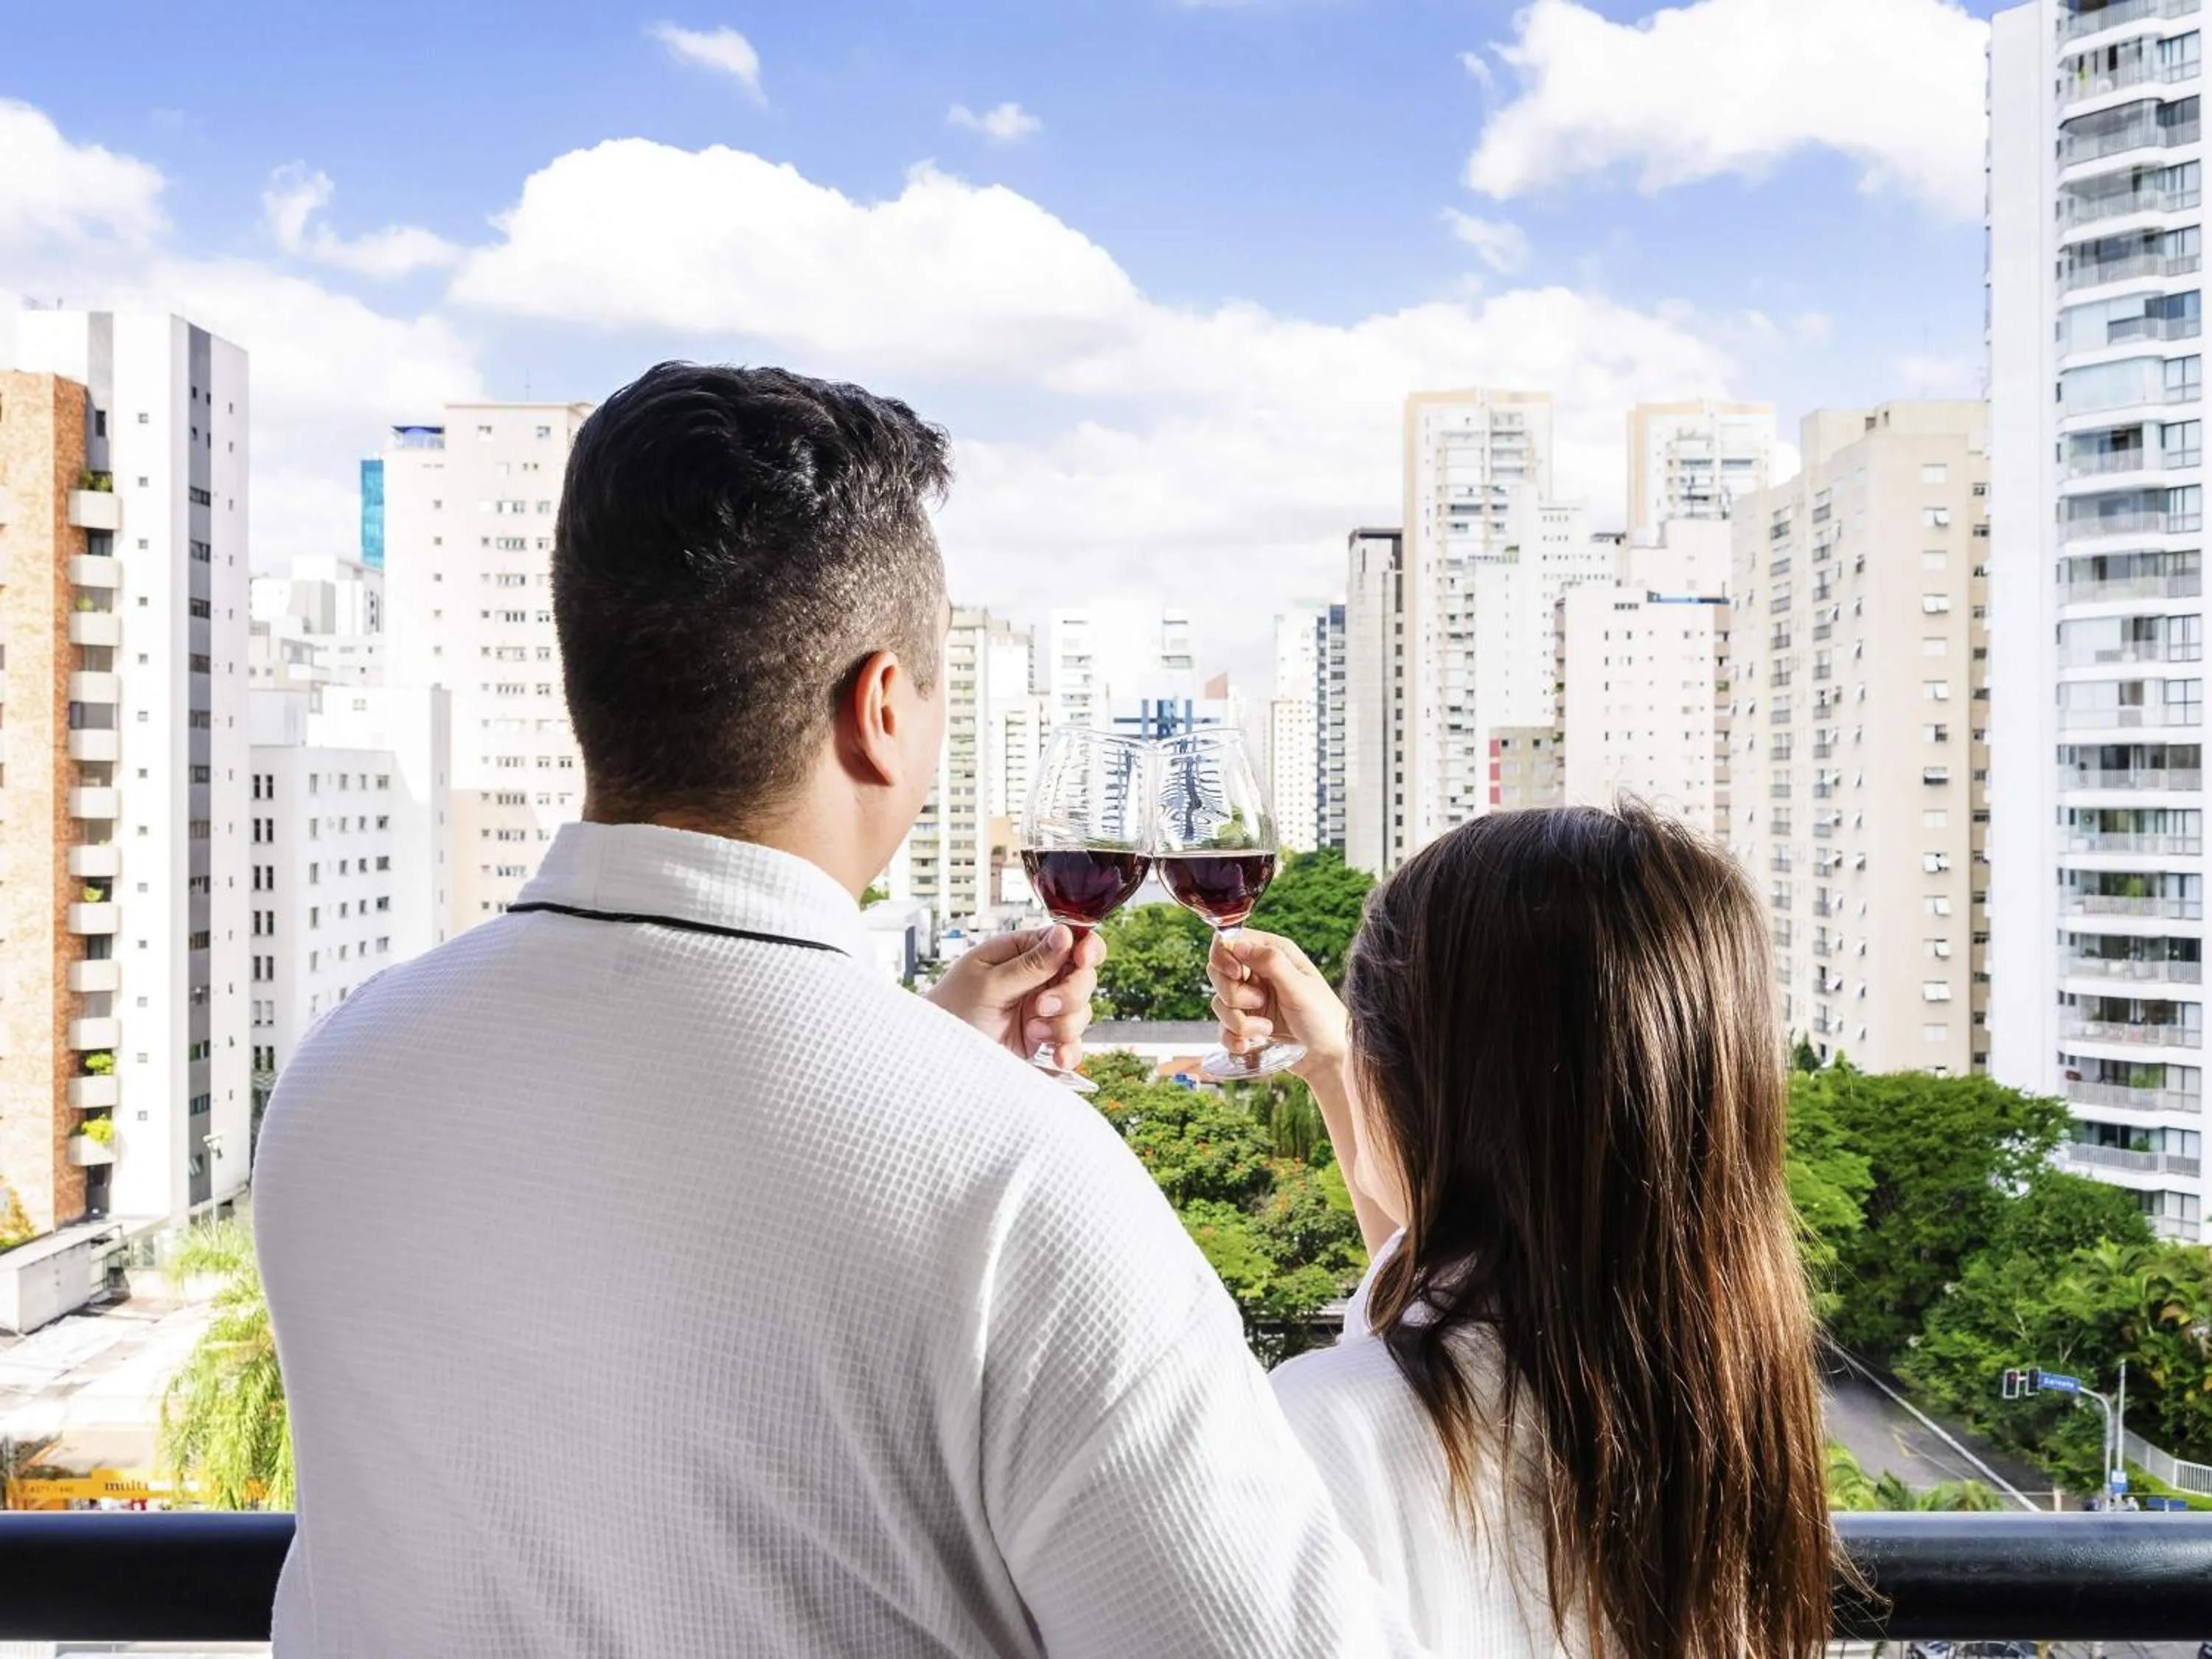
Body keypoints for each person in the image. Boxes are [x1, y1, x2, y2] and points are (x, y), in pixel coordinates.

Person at [254, 363, 1427, 1658]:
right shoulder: (1020, 1189)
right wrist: (931, 1096)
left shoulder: (339, 1077)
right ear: (881, 709)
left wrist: (916, 1063)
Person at [1208, 804, 1836, 1659]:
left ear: (1432, 1084)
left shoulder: (1327, 1428)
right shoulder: (1718, 1393)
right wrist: (1332, 1065)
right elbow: (1438, 1280)